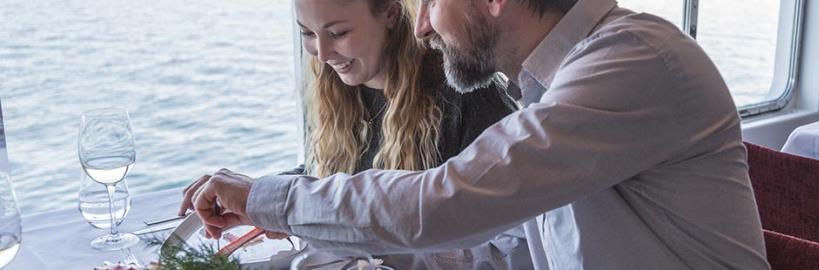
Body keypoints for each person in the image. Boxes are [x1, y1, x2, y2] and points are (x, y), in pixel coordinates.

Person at [182, 0, 771, 269]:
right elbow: (499, 252)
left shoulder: (633, 63)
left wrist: (265, 197)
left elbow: (437, 204)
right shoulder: (555, 87)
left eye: (431, 0)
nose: (420, 26)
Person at [180, 0, 529, 268]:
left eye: (339, 33)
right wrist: (257, 197)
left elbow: (505, 244)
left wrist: (277, 204)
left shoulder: (464, 93)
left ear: (392, 14)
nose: (323, 52)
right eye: (306, 33)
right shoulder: (340, 88)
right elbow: (332, 181)